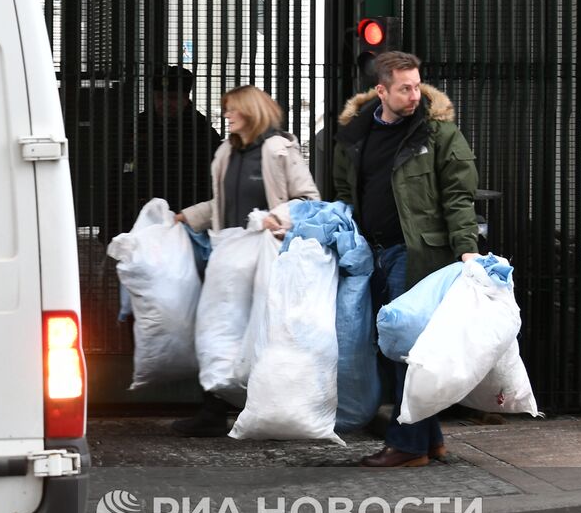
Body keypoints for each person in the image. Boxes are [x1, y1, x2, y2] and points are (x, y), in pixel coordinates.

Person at [331, 51, 480, 468]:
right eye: (404, 88)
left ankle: (408, 444)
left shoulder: (438, 133)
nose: (414, 95)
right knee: (395, 345)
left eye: (417, 86)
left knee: (402, 346)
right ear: (381, 91)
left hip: (416, 253)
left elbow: (457, 195)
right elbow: (345, 191)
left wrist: (466, 246)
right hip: (370, 253)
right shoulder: (356, 134)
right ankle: (429, 439)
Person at [168, 84, 320, 436]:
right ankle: (212, 408)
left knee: (265, 330)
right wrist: (186, 216)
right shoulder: (226, 152)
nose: (226, 115)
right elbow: (220, 204)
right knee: (218, 327)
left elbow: (308, 199)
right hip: (228, 254)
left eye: (231, 109)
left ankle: (268, 408)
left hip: (266, 254)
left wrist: (277, 218)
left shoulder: (279, 149)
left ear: (251, 111)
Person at [126, 66, 223, 218]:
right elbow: (120, 170)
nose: (165, 103)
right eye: (160, 97)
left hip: (186, 213)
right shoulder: (140, 125)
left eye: (172, 98)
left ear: (185, 98)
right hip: (142, 212)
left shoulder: (201, 131)